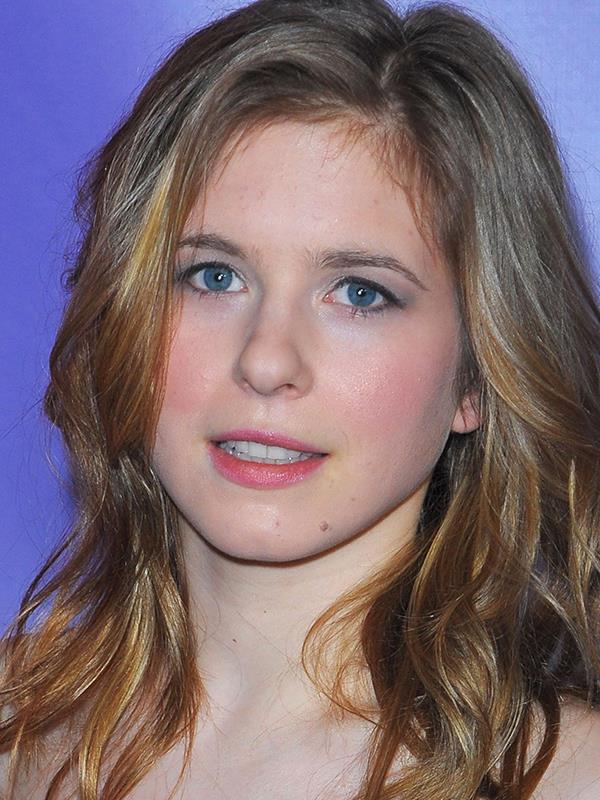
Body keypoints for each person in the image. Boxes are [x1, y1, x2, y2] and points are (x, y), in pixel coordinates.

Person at [1, 0, 599, 797]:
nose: (266, 360)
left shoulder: (570, 778)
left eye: (359, 293)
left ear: (478, 376)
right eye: (214, 276)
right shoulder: (16, 722)